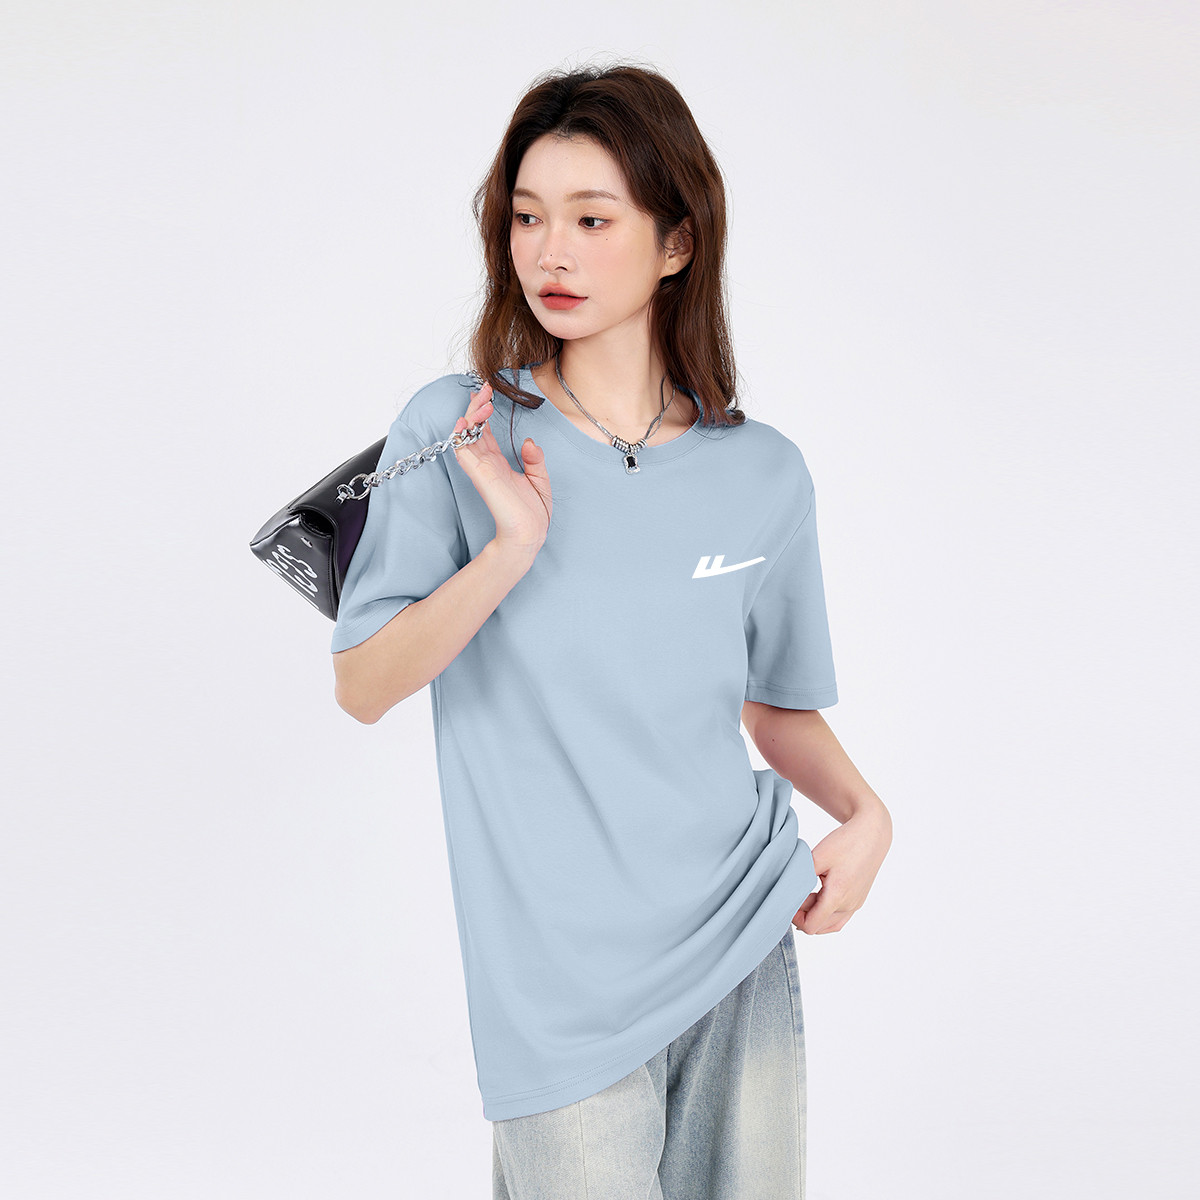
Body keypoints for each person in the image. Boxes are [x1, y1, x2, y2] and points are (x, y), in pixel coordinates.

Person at [330, 60, 892, 1200]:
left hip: (739, 932)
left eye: (592, 220)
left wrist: (867, 815)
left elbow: (774, 703)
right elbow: (364, 682)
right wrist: (509, 550)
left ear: (676, 242)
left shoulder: (764, 472)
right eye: (527, 218)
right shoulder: (461, 430)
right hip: (556, 987)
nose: (551, 253)